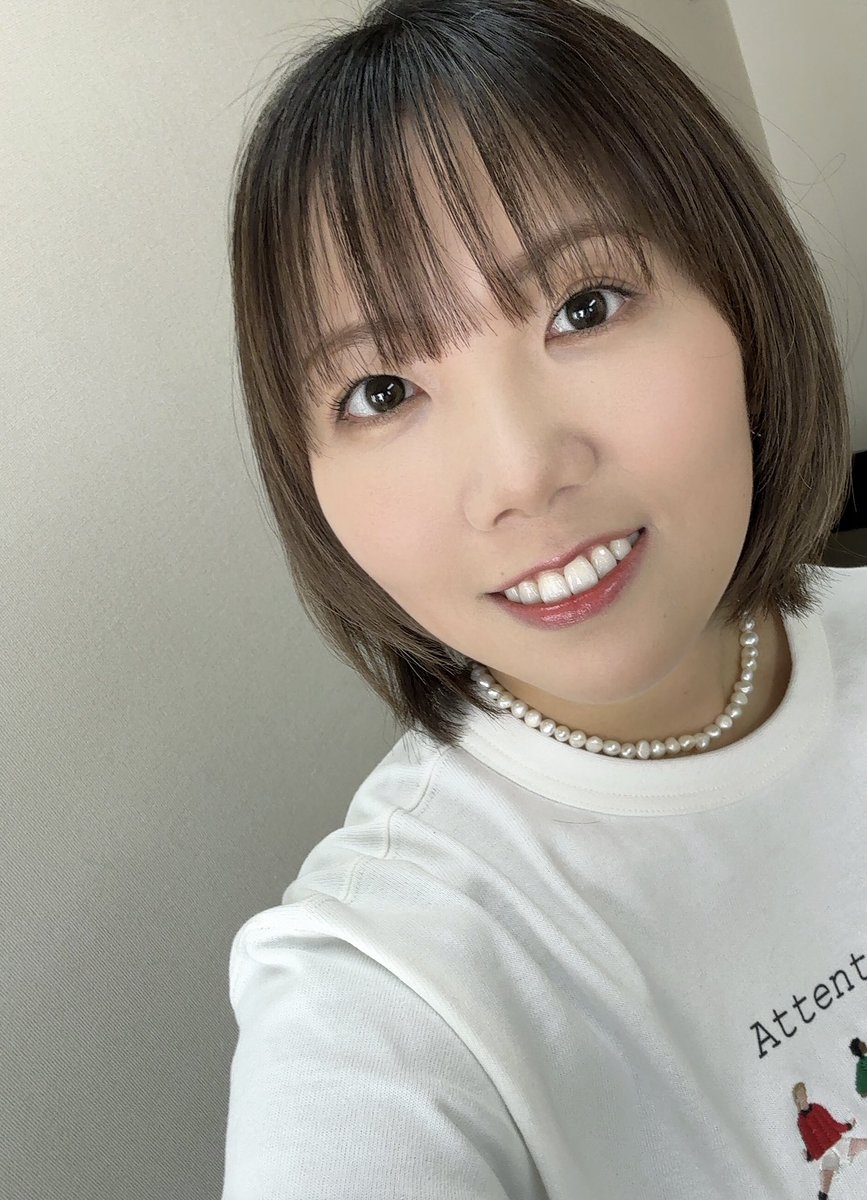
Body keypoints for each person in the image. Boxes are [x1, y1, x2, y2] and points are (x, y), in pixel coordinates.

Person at [221, 1, 866, 1196]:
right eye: (380, 391)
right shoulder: (384, 978)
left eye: (585, 306)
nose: (520, 474)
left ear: (743, 305)